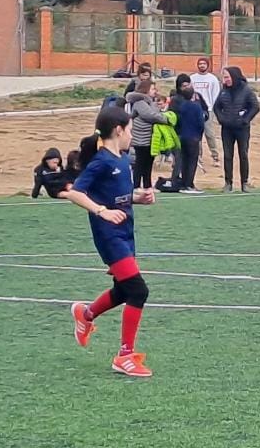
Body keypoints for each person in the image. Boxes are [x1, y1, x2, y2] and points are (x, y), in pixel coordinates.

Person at [67, 105, 158, 379]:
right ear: (118, 130)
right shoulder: (101, 161)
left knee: (122, 290)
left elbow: (117, 195)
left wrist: (137, 198)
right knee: (138, 291)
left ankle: (86, 314)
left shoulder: (122, 159)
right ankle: (125, 356)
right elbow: (74, 193)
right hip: (109, 237)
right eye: (130, 129)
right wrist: (101, 211)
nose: (132, 135)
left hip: (126, 233)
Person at [213, 66, 260, 192]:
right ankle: (228, 183)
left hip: (242, 129)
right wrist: (221, 119)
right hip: (227, 129)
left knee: (243, 154)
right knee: (228, 155)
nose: (225, 80)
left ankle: (244, 183)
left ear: (234, 76)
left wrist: (245, 119)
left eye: (227, 77)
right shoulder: (224, 91)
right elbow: (216, 107)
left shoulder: (246, 90)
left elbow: (255, 107)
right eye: (224, 77)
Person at [168, 74, 207, 194]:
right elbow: (200, 122)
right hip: (188, 135)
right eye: (183, 85)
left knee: (185, 160)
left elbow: (205, 112)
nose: (186, 87)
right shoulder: (181, 102)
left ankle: (185, 183)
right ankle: (187, 184)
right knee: (188, 160)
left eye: (188, 84)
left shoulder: (193, 100)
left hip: (185, 135)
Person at [125, 81, 167, 190]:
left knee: (148, 163)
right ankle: (136, 185)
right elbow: (150, 115)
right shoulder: (140, 103)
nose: (155, 91)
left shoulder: (150, 102)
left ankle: (147, 185)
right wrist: (165, 119)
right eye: (153, 89)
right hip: (141, 139)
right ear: (146, 90)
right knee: (140, 163)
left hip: (149, 138)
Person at [191, 57, 223, 168]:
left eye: (204, 64)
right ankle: (198, 157)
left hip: (208, 110)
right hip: (195, 111)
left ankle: (215, 156)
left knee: (209, 134)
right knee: (196, 135)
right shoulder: (192, 78)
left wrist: (211, 108)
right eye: (200, 64)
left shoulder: (212, 79)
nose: (202, 65)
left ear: (207, 65)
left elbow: (216, 94)